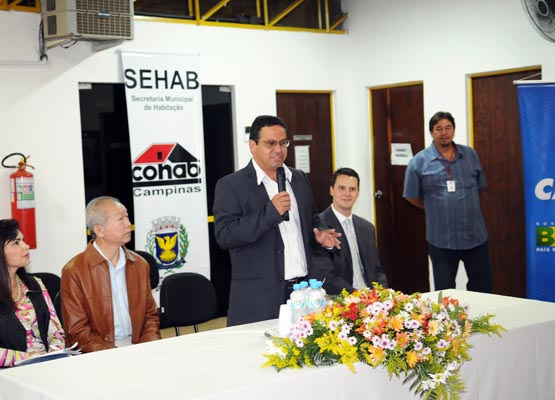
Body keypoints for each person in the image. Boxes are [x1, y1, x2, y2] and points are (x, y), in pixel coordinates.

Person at [214, 115, 341, 326]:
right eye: (270, 143)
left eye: (283, 143)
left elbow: (312, 218)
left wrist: (320, 234)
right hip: (259, 299)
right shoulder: (231, 185)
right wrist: (271, 212)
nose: (278, 149)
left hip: (302, 293)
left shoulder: (298, 178)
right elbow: (225, 235)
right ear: (253, 146)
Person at [403, 111, 493, 292]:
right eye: (438, 129)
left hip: (475, 236)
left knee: (483, 288)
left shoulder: (470, 155)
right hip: (442, 240)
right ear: (431, 132)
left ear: (453, 130)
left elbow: (480, 187)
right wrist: (433, 206)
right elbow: (411, 195)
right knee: (445, 292)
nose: (444, 133)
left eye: (448, 127)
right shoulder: (419, 162)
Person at [61, 196, 160, 353]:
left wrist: (148, 348)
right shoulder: (74, 271)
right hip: (99, 351)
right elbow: (77, 332)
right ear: (99, 230)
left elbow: (151, 317)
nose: (128, 224)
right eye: (120, 219)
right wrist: (114, 355)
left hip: (139, 345)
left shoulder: (139, 264)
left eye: (127, 217)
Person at [312, 168, 388, 295]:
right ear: (331, 190)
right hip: (341, 297)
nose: (347, 194)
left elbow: (377, 270)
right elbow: (325, 277)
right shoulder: (319, 227)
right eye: (341, 188)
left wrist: (382, 293)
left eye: (352, 189)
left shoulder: (367, 228)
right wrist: (358, 295)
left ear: (358, 193)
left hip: (370, 296)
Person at [0, 219, 65, 367]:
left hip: (45, 365)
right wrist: (30, 358)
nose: (26, 246)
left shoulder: (35, 284)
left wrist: (54, 356)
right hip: (9, 372)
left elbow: (56, 331)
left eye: (23, 240)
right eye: (16, 242)